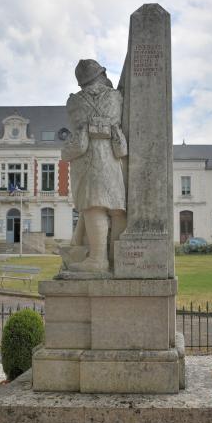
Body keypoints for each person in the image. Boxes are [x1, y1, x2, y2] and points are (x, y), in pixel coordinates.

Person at [62, 59, 127, 272]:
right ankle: (117, 260)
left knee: (93, 206)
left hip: (88, 157)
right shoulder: (116, 97)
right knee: (116, 208)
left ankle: (98, 260)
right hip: (112, 157)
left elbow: (77, 127)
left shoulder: (74, 102)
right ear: (101, 74)